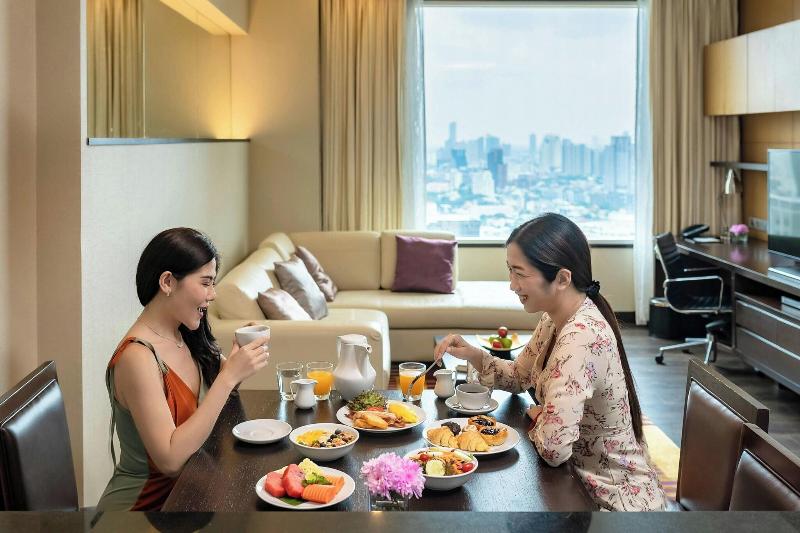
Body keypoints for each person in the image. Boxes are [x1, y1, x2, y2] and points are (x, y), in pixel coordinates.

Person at [434, 214, 666, 511]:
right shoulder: (553, 319)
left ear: (562, 278)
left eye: (520, 273)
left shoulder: (580, 338)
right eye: (510, 271)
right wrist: (474, 355)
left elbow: (554, 448)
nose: (512, 285)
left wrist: (540, 417)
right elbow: (519, 376)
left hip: (612, 503)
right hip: (576, 484)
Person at [95, 228, 269, 512]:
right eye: (206, 283)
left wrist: (238, 361)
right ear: (167, 282)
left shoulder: (182, 333)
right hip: (143, 512)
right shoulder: (137, 357)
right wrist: (228, 377)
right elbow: (170, 460)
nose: (213, 294)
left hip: (189, 497)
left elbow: (214, 389)